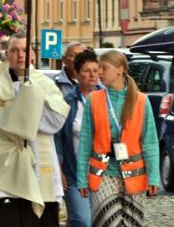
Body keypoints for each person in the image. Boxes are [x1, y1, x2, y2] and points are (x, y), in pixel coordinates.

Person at [0, 33, 69, 227]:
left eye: (25, 50)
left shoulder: (44, 83)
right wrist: (19, 116)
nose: (20, 55)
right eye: (14, 50)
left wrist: (30, 101)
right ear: (7, 55)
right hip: (8, 167)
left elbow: (56, 121)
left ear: (33, 54)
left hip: (41, 163)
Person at [76, 50, 160, 227]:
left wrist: (154, 177)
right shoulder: (94, 100)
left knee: (131, 223)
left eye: (104, 68)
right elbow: (85, 142)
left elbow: (150, 142)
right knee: (107, 222)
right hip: (103, 173)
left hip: (134, 175)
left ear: (120, 70)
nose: (99, 73)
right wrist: (82, 177)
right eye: (98, 68)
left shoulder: (141, 101)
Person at [55, 49, 100, 227]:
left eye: (95, 70)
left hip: (101, 172)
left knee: (98, 220)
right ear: (77, 73)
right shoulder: (67, 101)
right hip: (74, 173)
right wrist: (59, 169)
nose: (92, 75)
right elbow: (57, 136)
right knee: (82, 219)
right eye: (87, 71)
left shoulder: (107, 99)